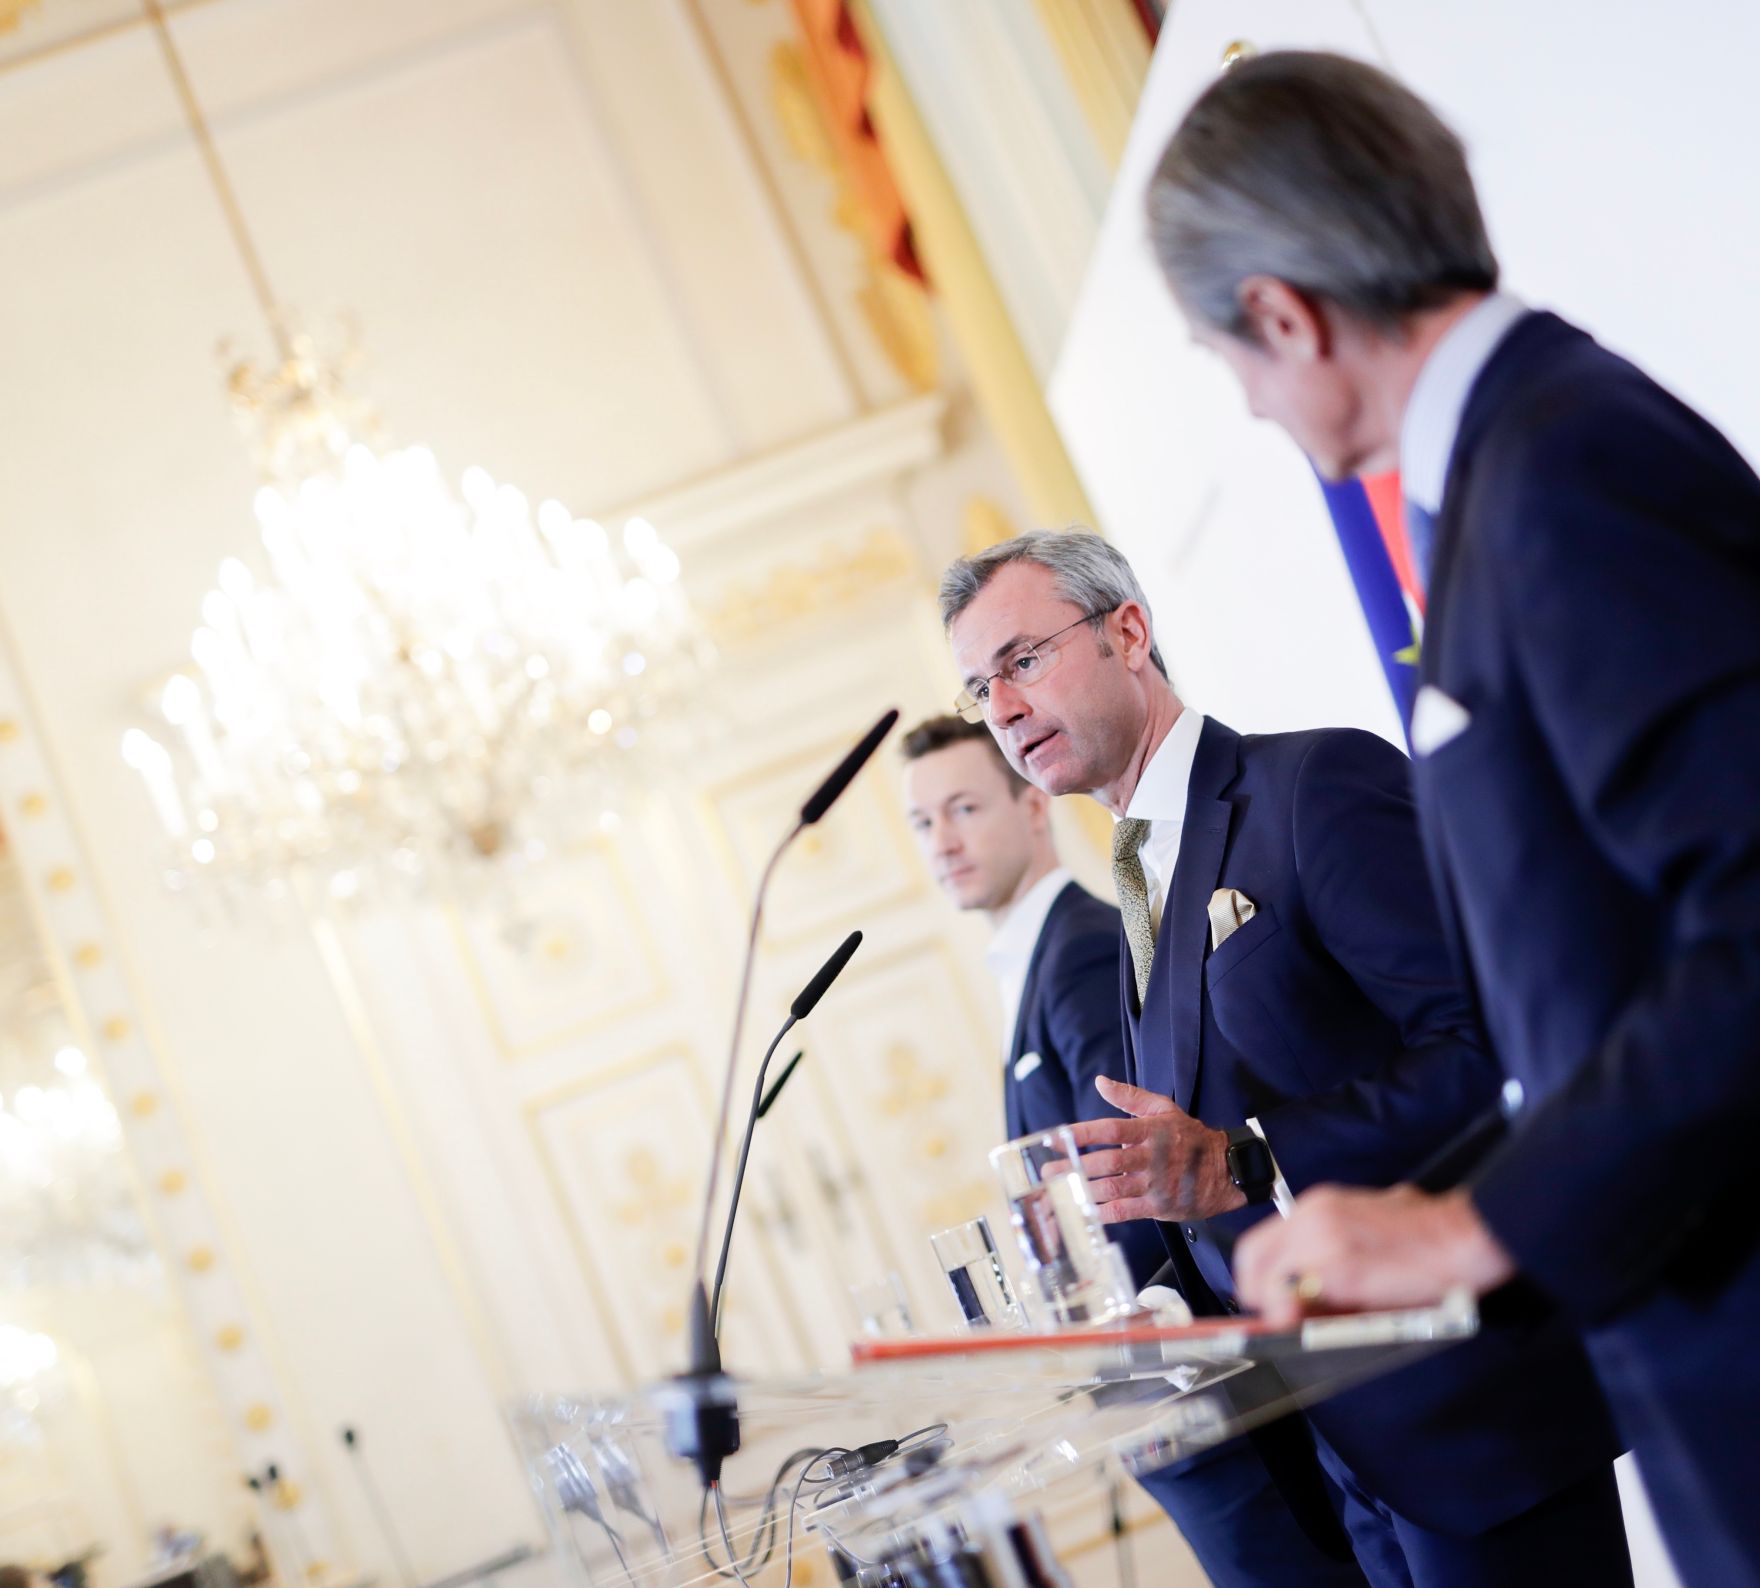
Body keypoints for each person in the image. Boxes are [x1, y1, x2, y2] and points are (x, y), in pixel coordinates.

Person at [1142, 50, 1760, 1586]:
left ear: (1284, 314)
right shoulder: (1521, 463)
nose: (1253, 404)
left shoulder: (1563, 466)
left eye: (1230, 361)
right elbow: (1594, 983)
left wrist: (1471, 1230)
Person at [940, 529, 1631, 1588]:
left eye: (1022, 659)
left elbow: (1489, 1041)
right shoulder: (1132, 875)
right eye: (978, 686)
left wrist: (1252, 1156)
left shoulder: (1311, 784)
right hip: (1330, 1452)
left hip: (1468, 1413)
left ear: (1127, 629)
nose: (1002, 706)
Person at [900, 711, 1370, 1588]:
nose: (943, 842)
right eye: (923, 823)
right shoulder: (1040, 959)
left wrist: (1094, 1330)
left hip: (1201, 1387)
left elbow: (1130, 1177)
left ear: (1030, 806)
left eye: (963, 809)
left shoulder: (1078, 949)